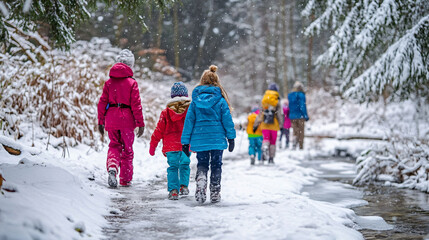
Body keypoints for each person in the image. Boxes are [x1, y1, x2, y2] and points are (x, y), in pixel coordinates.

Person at [181, 65, 236, 204]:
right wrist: (231, 138)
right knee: (216, 164)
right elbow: (227, 121)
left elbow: (189, 122)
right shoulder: (221, 100)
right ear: (216, 81)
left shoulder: (195, 102)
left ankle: (201, 180)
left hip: (200, 139)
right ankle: (215, 191)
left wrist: (185, 141)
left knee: (202, 163)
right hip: (217, 139)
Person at [97, 49, 145, 188]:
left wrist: (101, 121)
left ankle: (112, 167)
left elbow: (102, 103)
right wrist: (140, 124)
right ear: (131, 65)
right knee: (127, 150)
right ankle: (125, 179)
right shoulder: (132, 83)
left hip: (111, 119)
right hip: (127, 120)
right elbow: (136, 105)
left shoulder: (109, 82)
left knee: (114, 145)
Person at [149, 82, 191, 200]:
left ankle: (173, 190)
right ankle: (183, 186)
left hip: (171, 146)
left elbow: (158, 131)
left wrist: (153, 146)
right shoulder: (189, 111)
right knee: (185, 165)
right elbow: (194, 127)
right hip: (186, 145)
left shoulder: (166, 113)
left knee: (173, 167)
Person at [253, 83, 284, 164]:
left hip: (265, 124)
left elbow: (260, 114)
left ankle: (265, 148)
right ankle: (271, 158)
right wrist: (281, 125)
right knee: (273, 142)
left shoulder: (264, 99)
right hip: (274, 125)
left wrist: (256, 124)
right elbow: (279, 114)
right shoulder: (277, 100)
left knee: (266, 139)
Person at [288, 81, 309, 150]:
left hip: (292, 116)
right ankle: (300, 146)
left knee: (295, 131)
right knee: (301, 131)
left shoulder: (290, 95)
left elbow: (289, 106)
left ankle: (294, 141)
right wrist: (305, 115)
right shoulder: (301, 95)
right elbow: (302, 106)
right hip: (300, 116)